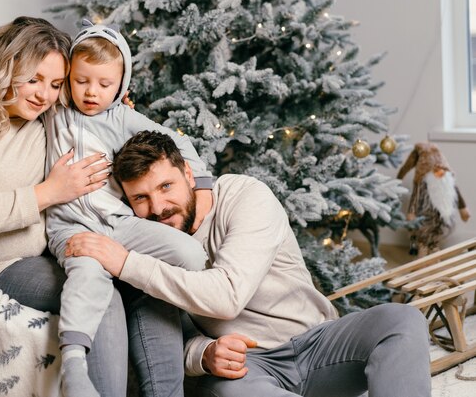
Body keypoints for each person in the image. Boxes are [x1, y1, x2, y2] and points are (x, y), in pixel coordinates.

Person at [65, 130, 433, 397]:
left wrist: (124, 262)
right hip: (249, 370)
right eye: (140, 198)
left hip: (318, 343)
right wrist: (202, 355)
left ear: (189, 176)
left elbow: (227, 296)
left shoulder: (243, 195)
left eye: (165, 187)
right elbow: (160, 334)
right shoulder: (145, 241)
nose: (157, 207)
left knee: (401, 319)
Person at [0, 16, 128, 397]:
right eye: (33, 79)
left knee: (137, 282)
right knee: (101, 297)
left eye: (54, 84)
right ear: (6, 66)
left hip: (51, 250)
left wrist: (118, 106)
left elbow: (95, 99)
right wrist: (47, 193)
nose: (43, 95)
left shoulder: (48, 116)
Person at [44, 19, 213, 397]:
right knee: (87, 273)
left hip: (119, 223)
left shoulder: (124, 118)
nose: (91, 92)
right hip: (71, 228)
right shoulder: (55, 112)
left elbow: (178, 146)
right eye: (82, 80)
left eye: (105, 85)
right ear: (69, 77)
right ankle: (74, 363)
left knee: (188, 251)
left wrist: (202, 186)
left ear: (121, 86)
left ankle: (189, 335)